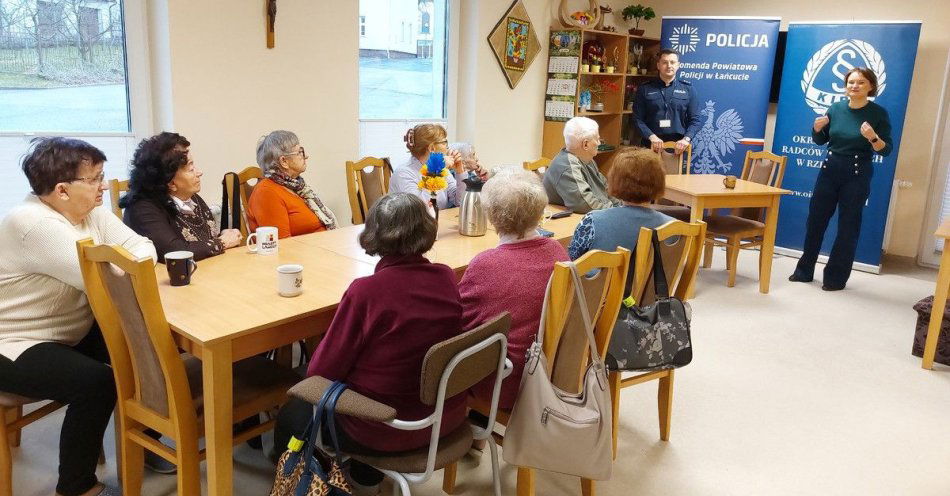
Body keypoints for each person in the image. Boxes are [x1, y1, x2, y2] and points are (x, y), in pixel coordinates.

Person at [273, 193, 465, 493]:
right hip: (444, 418)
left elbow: (320, 371)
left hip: (386, 430)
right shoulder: (446, 277)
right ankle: (365, 475)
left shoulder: (366, 292)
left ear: (375, 233)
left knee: (291, 413)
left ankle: (300, 482)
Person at [0, 138, 157, 496]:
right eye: (96, 178)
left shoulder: (89, 211)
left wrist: (127, 264)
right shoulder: (33, 224)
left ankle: (143, 445)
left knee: (139, 347)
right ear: (62, 190)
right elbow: (106, 286)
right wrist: (126, 266)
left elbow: (141, 246)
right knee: (95, 383)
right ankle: (76, 486)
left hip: (64, 329)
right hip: (13, 342)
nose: (105, 185)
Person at [459, 168, 568, 410]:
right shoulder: (557, 250)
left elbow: (458, 323)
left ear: (492, 215)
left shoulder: (485, 264)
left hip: (507, 381)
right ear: (540, 211)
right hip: (549, 371)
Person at [789, 67, 893, 291]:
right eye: (851, 82)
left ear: (871, 87)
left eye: (861, 82)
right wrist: (816, 129)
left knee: (848, 227)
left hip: (857, 173)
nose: (854, 86)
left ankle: (835, 278)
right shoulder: (835, 108)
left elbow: (886, 150)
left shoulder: (878, 113)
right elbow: (821, 140)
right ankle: (804, 270)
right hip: (829, 170)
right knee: (815, 221)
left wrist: (872, 137)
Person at [121, 132, 242, 262]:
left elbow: (203, 242)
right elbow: (175, 251)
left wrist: (224, 236)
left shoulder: (191, 197)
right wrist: (222, 242)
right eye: (190, 169)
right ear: (171, 183)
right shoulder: (141, 209)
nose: (199, 172)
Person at [568, 147, 673, 260]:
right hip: (654, 278)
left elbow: (572, 262)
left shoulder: (592, 221)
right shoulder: (674, 226)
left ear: (615, 180)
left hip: (604, 278)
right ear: (659, 181)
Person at [247, 130, 338, 239]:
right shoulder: (266, 192)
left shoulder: (297, 187)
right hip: (305, 254)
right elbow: (282, 245)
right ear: (284, 161)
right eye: (300, 152)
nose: (306, 156)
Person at [542, 116, 621, 213]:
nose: (599, 143)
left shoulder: (587, 160)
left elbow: (605, 188)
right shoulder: (567, 167)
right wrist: (616, 211)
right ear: (585, 144)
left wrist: (620, 206)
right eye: (597, 139)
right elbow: (585, 204)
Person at [632, 49, 702, 155]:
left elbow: (695, 120)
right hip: (650, 144)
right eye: (665, 62)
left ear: (678, 65)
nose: (669, 66)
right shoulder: (645, 88)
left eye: (672, 62)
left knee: (674, 172)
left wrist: (686, 139)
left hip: (678, 146)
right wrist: (652, 137)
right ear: (658, 65)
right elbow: (637, 119)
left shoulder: (688, 89)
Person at [390, 124, 469, 208]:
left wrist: (460, 172)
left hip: (438, 220)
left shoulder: (440, 168)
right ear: (431, 148)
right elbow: (422, 209)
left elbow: (460, 202)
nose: (447, 147)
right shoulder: (404, 174)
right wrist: (436, 171)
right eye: (444, 142)